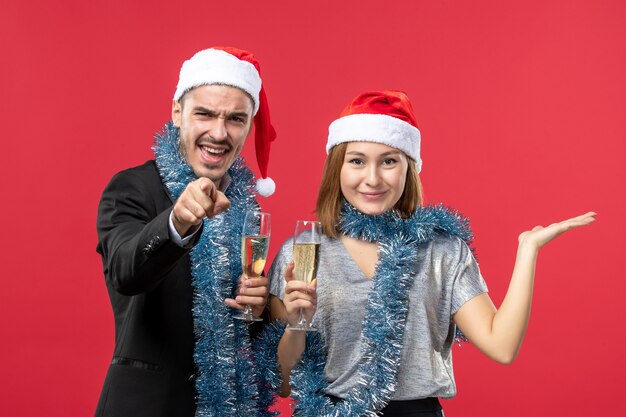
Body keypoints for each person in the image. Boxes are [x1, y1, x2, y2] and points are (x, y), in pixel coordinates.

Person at [267, 90, 596, 417]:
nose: (372, 178)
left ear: (408, 168)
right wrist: (297, 324)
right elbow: (281, 384)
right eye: (357, 161)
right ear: (337, 169)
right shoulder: (302, 253)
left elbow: (502, 345)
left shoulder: (444, 251)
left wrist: (528, 250)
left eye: (389, 161)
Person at [95, 47, 278, 417]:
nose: (219, 132)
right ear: (177, 112)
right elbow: (125, 272)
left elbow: (243, 333)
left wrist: (258, 308)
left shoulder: (247, 210)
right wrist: (177, 222)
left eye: (236, 119)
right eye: (205, 114)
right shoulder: (133, 187)